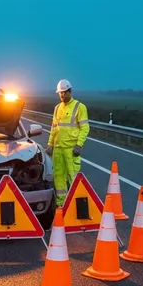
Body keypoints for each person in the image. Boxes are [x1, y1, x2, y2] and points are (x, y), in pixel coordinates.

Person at [45, 79, 90, 207]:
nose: (62, 95)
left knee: (73, 178)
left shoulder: (79, 107)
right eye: (60, 93)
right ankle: (61, 206)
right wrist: (50, 144)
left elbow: (85, 128)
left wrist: (79, 145)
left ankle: (77, 206)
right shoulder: (57, 108)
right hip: (58, 149)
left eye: (64, 92)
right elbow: (54, 128)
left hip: (71, 150)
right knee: (59, 179)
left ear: (70, 91)